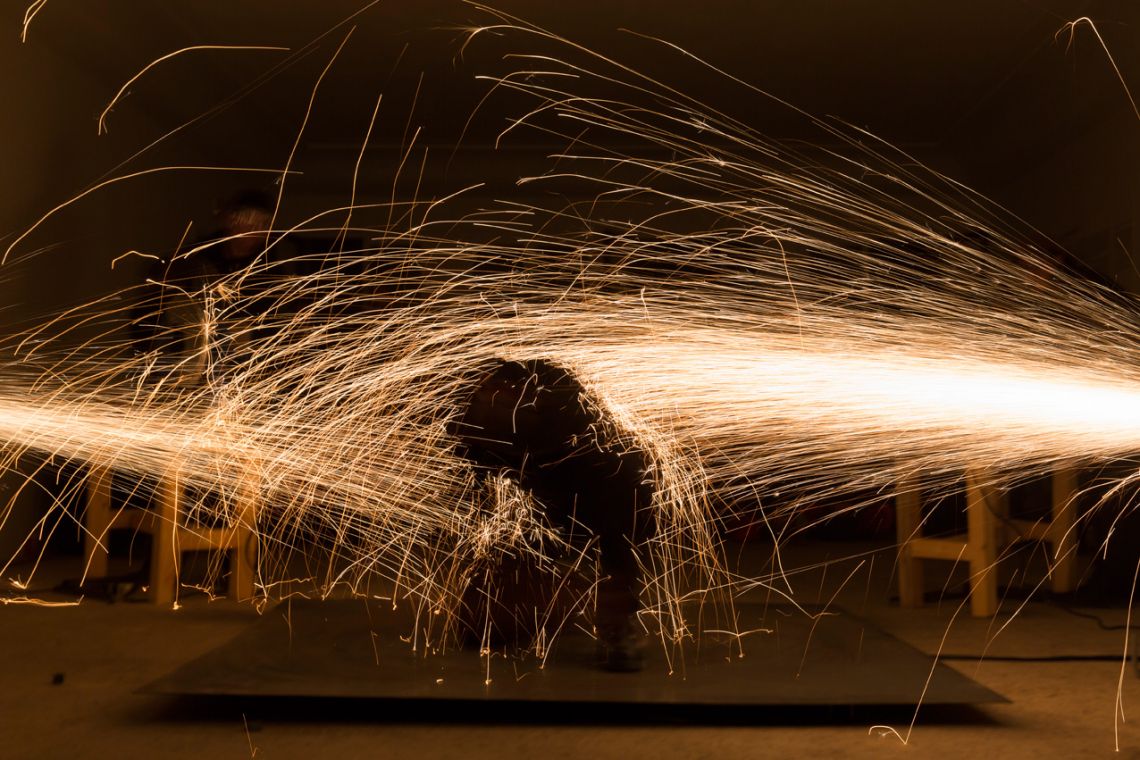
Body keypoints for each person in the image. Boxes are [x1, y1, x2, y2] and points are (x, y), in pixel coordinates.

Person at [451, 358, 654, 671]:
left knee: (609, 565)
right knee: (478, 627)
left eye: (501, 399)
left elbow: (619, 546)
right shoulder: (483, 442)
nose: (487, 401)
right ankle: (549, 602)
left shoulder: (607, 468)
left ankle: (610, 618)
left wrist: (599, 595)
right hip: (536, 507)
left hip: (586, 503)